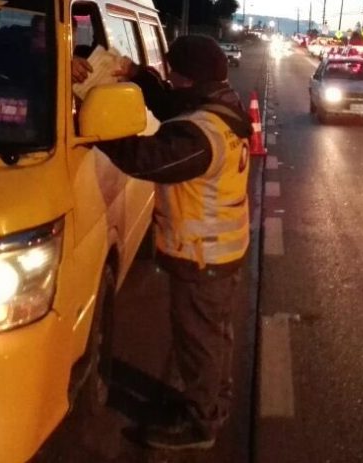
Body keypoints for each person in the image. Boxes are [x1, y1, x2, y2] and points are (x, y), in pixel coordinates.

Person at [75, 34, 253, 450]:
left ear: (188, 77)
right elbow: (172, 104)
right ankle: (213, 400)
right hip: (221, 249)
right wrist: (138, 75)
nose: (169, 77)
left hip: (203, 255)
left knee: (198, 342)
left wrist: (93, 124)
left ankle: (199, 423)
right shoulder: (220, 106)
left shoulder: (199, 135)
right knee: (213, 336)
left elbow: (146, 159)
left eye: (173, 72)